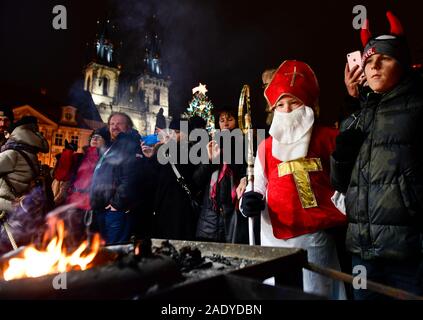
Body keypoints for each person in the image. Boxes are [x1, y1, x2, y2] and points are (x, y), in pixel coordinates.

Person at [331, 11, 423, 299]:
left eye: (385, 58)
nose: (374, 65)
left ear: (404, 63)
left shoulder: (419, 107)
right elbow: (340, 185)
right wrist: (341, 159)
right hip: (363, 254)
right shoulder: (357, 117)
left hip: (408, 255)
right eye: (368, 60)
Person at [240, 60, 347, 299]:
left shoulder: (329, 138)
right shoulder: (265, 148)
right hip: (274, 238)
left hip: (315, 239)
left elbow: (345, 185)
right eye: (281, 104)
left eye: (294, 102)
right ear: (273, 110)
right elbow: (257, 187)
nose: (287, 110)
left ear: (308, 105)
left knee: (317, 294)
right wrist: (248, 202)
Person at [194, 108, 248, 243]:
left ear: (237, 121)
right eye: (222, 120)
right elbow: (197, 180)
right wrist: (211, 160)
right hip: (209, 217)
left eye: (229, 120)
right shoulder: (210, 145)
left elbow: (245, 172)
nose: (226, 124)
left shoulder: (244, 145)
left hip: (233, 215)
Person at [90, 112, 144, 244]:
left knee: (115, 251)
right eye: (112, 124)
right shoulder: (112, 145)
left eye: (119, 123)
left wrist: (117, 204)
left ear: (128, 127)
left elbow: (130, 178)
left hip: (115, 211)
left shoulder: (129, 144)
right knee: (105, 250)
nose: (114, 126)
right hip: (103, 208)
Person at [0, 116, 49, 253]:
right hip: (16, 212)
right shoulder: (29, 153)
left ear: (16, 132)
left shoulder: (13, 154)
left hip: (6, 212)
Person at [150, 117, 200, 241]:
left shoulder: (190, 151)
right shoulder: (165, 149)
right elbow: (155, 175)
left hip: (181, 207)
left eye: (177, 132)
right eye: (171, 131)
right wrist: (151, 156)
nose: (172, 135)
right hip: (164, 205)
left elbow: (190, 174)